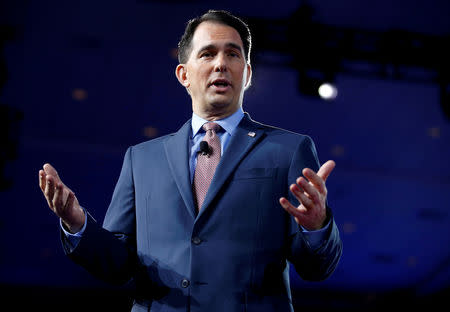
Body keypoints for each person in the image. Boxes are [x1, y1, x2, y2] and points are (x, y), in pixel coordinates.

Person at [38, 10, 342, 312]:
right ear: (184, 74)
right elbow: (117, 265)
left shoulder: (288, 150)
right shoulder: (141, 160)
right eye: (208, 54)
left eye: (233, 55)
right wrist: (76, 222)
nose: (221, 64)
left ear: (247, 74)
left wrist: (316, 226)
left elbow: (316, 269)